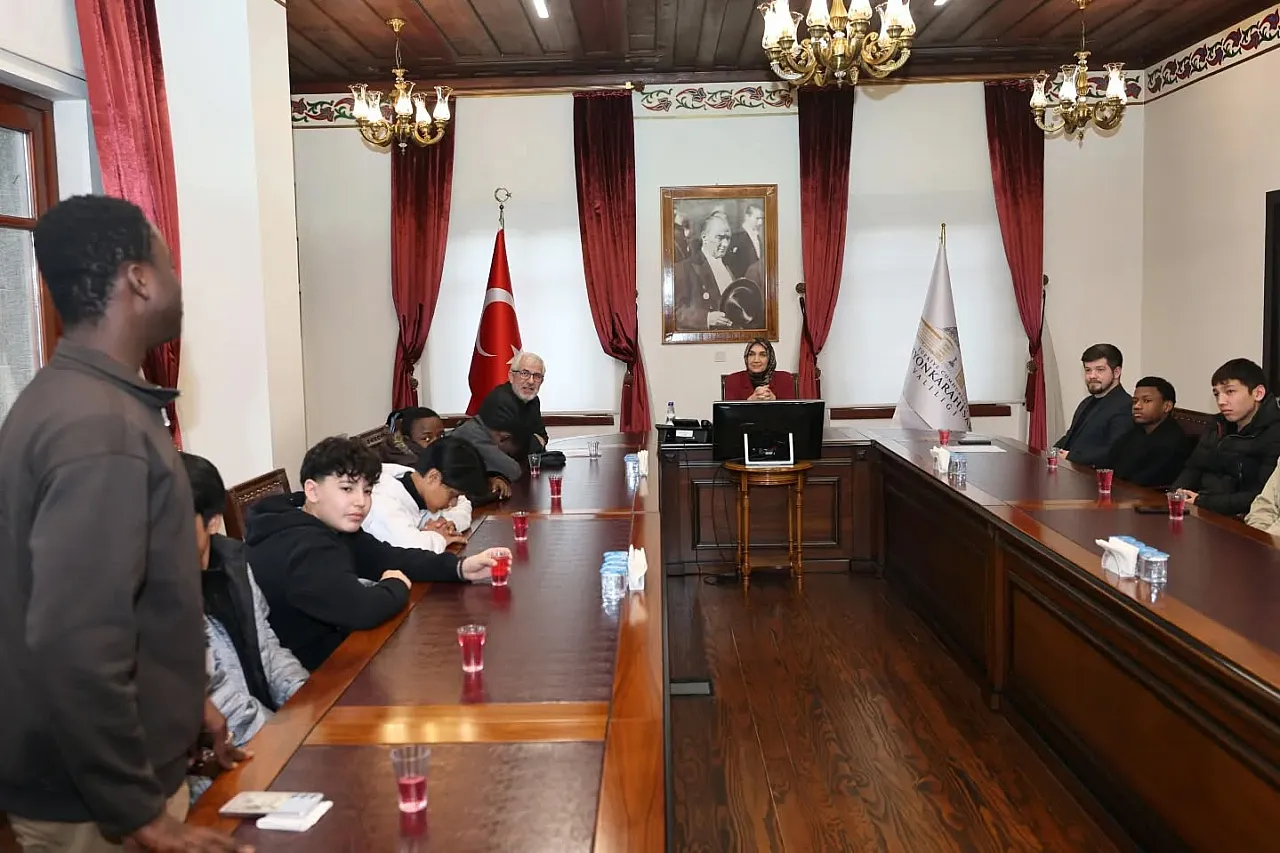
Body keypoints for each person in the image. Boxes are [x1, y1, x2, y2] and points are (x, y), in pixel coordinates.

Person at [0, 195, 247, 851]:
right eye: (167, 263)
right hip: (97, 804)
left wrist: (183, 705)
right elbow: (76, 637)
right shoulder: (98, 428)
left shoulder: (83, 400)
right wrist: (140, 815)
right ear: (139, 279)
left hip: (113, 777)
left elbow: (129, 602)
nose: (177, 280)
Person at [245, 436, 508, 670]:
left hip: (338, 657)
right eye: (347, 489)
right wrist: (394, 584)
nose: (361, 501)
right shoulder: (303, 545)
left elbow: (388, 557)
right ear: (312, 491)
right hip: (310, 684)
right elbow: (361, 609)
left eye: (367, 491)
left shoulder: (326, 524)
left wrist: (459, 568)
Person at [182, 453, 308, 803]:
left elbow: (266, 645)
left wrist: (304, 701)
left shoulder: (233, 564)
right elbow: (217, 697)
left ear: (212, 522)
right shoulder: (153, 589)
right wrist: (282, 743)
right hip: (210, 773)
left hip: (260, 741)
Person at [1173, 358, 1280, 517]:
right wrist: (1176, 494)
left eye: (1230, 392)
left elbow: (1261, 496)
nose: (1221, 401)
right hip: (1202, 508)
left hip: (1243, 518)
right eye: (1216, 394)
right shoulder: (1217, 424)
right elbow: (1194, 467)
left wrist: (1202, 501)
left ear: (1258, 393)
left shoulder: (1274, 432)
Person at [363, 437, 487, 552]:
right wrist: (438, 537)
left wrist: (447, 524)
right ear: (433, 477)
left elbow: (464, 503)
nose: (453, 503)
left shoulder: (417, 483)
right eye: (452, 495)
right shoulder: (382, 502)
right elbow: (411, 549)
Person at [1055, 344, 1132, 467]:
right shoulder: (1086, 402)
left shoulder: (1125, 405)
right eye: (1088, 370)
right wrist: (1052, 452)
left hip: (1095, 476)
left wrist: (1071, 456)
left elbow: (1114, 452)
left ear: (1116, 372)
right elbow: (1070, 437)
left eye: (1100, 370)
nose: (1092, 376)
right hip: (1071, 472)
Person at [1107, 377, 1190, 488]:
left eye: (1146, 401)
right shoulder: (1133, 432)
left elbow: (1144, 482)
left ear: (1167, 406)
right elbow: (1108, 465)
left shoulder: (1173, 442)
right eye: (1135, 401)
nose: (1137, 406)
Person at [674, 212, 735, 330]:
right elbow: (676, 312)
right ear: (704, 237)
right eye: (720, 237)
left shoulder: (731, 267)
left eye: (728, 238)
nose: (725, 244)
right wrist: (707, 318)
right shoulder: (684, 268)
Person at [723, 338, 796, 401]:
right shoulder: (733, 380)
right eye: (751, 354)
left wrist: (774, 400)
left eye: (763, 355)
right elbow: (729, 412)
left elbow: (792, 411)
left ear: (770, 358)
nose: (756, 360)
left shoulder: (785, 379)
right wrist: (749, 401)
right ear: (746, 357)